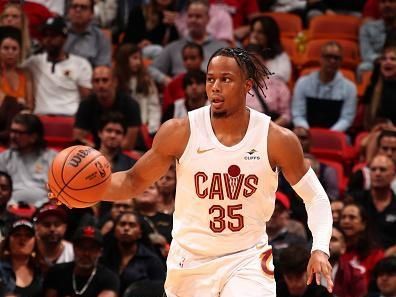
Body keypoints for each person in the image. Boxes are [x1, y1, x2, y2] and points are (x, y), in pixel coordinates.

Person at [51, 47, 333, 296]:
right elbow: (133, 180)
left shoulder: (276, 139)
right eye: (211, 79)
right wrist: (80, 192)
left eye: (226, 79)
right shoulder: (179, 131)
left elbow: (316, 198)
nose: (215, 87)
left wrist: (320, 247)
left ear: (247, 86)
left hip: (246, 257)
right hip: (190, 260)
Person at [24, 16, 92, 116]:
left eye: (53, 36)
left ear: (64, 38)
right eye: (45, 36)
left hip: (70, 117)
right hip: (41, 118)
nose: (48, 40)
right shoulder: (34, 62)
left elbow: (87, 99)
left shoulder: (81, 64)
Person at [292, 41, 357, 132]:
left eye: (336, 58)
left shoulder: (350, 88)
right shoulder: (303, 83)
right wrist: (308, 133)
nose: (332, 61)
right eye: (328, 56)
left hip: (335, 135)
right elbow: (298, 114)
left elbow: (346, 119)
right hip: (306, 133)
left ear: (341, 61)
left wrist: (327, 135)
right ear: (321, 59)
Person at [73, 65, 142, 150]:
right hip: (98, 152)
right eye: (96, 81)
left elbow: (129, 144)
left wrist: (107, 153)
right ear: (92, 84)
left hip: (127, 154)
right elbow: (78, 139)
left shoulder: (131, 105)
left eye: (105, 80)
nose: (100, 85)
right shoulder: (86, 104)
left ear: (115, 82)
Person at [100, 211, 166, 294]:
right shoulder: (104, 256)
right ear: (114, 231)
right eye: (122, 224)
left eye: (132, 225)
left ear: (140, 233)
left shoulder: (151, 260)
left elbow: (160, 290)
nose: (126, 228)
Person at [43, 225, 119, 297]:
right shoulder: (57, 272)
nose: (86, 253)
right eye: (81, 247)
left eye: (92, 248)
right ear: (73, 249)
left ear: (100, 252)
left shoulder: (109, 278)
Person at [0, 113, 57, 207]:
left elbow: (57, 191)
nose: (13, 136)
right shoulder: (4, 158)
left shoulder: (52, 158)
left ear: (33, 137)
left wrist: (43, 204)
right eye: (12, 131)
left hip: (44, 208)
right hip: (9, 208)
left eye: (19, 133)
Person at [114, 43, 161, 135]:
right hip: (119, 128)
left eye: (139, 58)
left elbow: (154, 106)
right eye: (134, 58)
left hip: (142, 128)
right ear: (124, 59)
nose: (138, 62)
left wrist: (152, 128)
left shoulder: (146, 80)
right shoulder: (114, 81)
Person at [0, 219, 42, 297]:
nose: (23, 238)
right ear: (8, 240)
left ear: (35, 241)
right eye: (17, 234)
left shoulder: (43, 270)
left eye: (28, 235)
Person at [64, 0, 112, 67]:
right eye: (74, 6)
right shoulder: (59, 32)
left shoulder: (100, 37)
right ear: (68, 11)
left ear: (92, 14)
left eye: (83, 7)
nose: (78, 10)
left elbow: (102, 67)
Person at [34, 203, 74, 275]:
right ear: (37, 227)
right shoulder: (29, 249)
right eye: (46, 224)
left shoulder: (72, 252)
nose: (52, 229)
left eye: (57, 224)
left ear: (65, 227)